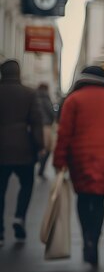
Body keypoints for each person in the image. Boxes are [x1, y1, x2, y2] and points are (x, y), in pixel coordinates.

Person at [53, 66, 104, 265]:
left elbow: (64, 133)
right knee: (99, 201)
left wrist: (59, 160)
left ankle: (86, 237)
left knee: (82, 198)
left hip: (79, 158)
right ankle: (94, 241)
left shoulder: (73, 100)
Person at [0, 59, 43, 247]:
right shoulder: (29, 93)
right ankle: (19, 216)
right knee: (26, 184)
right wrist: (40, 145)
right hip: (24, 149)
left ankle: (0, 232)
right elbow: (36, 122)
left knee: (0, 191)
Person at [35, 83, 55, 179]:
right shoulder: (46, 98)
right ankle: (41, 168)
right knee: (47, 149)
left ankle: (38, 164)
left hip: (36, 126)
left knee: (40, 147)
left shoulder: (34, 96)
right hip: (46, 126)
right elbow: (51, 112)